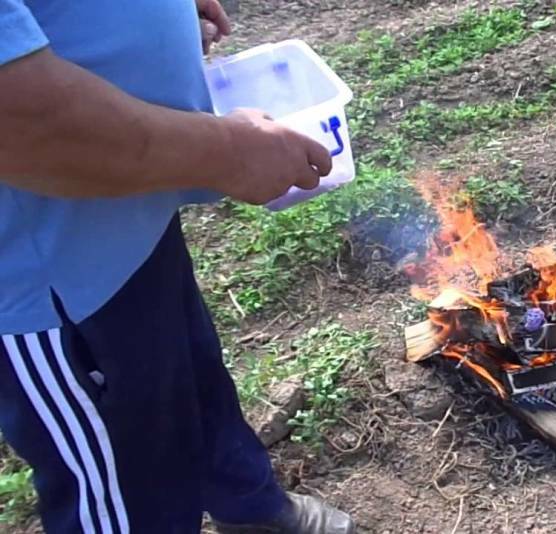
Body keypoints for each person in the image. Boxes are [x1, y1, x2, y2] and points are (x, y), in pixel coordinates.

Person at [0, 1, 354, 532]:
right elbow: (24, 123)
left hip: (133, 215)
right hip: (54, 285)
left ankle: (251, 510)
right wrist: (230, 155)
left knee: (195, 384)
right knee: (126, 482)